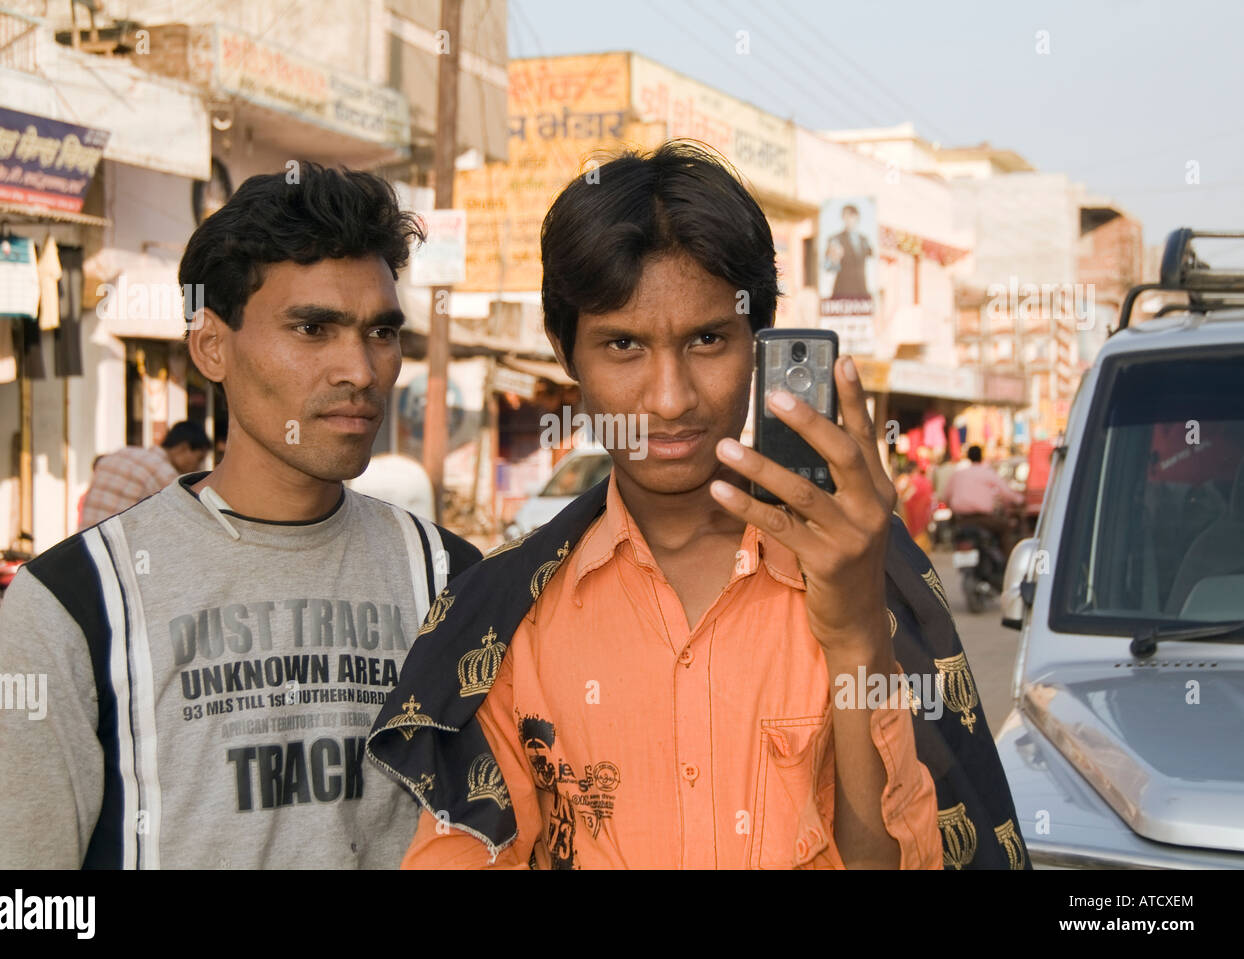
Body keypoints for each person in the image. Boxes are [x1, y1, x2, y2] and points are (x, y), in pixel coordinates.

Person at [369, 142, 1027, 870]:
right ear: (566, 353)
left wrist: (853, 636)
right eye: (623, 344)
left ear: (759, 341)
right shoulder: (503, 613)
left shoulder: (858, 564)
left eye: (707, 339)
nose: (672, 397)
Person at [0, 163, 481, 869]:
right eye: (313, 328)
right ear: (211, 345)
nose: (359, 369)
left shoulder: (450, 581)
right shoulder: (76, 604)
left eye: (380, 332)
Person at [77, 421, 212, 530]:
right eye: (199, 459)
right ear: (183, 448)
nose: (198, 467)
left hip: (84, 541)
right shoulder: (165, 474)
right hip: (113, 553)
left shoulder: (121, 453)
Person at [944, 445, 1024, 558]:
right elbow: (1006, 492)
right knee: (1005, 529)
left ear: (968, 457)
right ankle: (1008, 565)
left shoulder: (958, 474)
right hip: (983, 519)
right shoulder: (987, 472)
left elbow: (946, 496)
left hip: (961, 520)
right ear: (981, 456)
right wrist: (1019, 500)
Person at [824, 203, 872, 300]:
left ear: (857, 217)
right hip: (842, 292)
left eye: (851, 216)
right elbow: (828, 267)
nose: (848, 220)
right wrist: (834, 258)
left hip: (861, 292)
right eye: (845, 217)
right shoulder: (836, 239)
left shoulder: (864, 240)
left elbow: (872, 261)